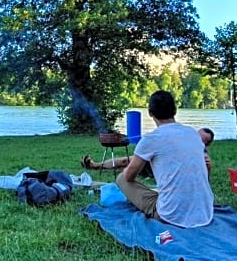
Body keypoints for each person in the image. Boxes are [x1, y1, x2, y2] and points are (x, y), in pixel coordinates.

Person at [115, 91, 214, 228]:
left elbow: (129, 176)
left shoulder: (151, 139)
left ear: (150, 113)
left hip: (171, 215)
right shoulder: (193, 133)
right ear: (175, 110)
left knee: (121, 178)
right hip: (206, 212)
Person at [80, 127, 214, 172]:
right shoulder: (183, 142)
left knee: (126, 171)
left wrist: (208, 167)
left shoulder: (203, 156)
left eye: (202, 140)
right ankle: (94, 165)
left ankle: (96, 166)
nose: (197, 140)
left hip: (159, 171)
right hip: (153, 161)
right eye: (196, 136)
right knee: (125, 161)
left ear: (206, 145)